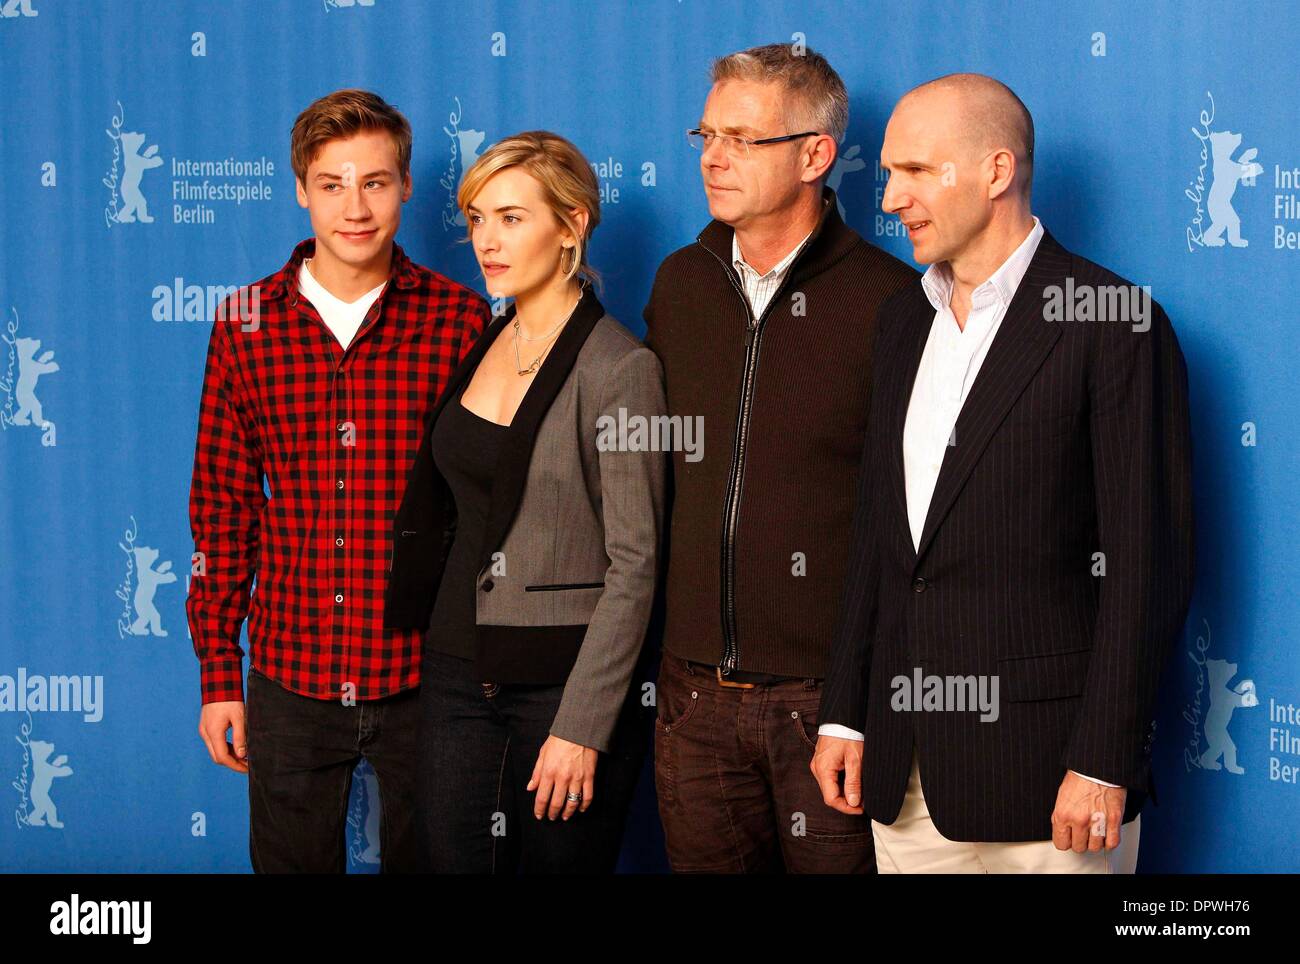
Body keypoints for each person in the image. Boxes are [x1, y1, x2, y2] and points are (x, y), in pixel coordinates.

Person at [814, 73, 1194, 873]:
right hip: (905, 777)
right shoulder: (901, 320)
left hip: (1052, 784)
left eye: (915, 171)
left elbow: (1145, 569)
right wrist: (846, 714)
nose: (890, 198)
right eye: (888, 174)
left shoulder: (1111, 320)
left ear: (996, 171)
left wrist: (1101, 763)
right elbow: (882, 538)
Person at [188, 89, 489, 873]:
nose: (355, 207)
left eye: (377, 182)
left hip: (428, 675)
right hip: (291, 674)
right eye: (332, 183)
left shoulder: (461, 322)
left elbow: (487, 504)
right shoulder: (243, 323)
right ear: (301, 189)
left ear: (407, 187)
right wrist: (221, 672)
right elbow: (222, 509)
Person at [642, 43, 917, 873]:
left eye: (742, 138)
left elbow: (903, 523)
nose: (714, 158)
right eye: (705, 135)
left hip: (824, 707)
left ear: (814, 154)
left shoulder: (892, 301)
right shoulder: (679, 283)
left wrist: (859, 704)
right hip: (689, 698)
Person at [385, 131, 666, 873]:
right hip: (453, 670)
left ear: (571, 225)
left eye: (512, 217)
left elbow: (635, 565)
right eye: (477, 218)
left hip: (558, 685)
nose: (487, 240)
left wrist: (582, 727)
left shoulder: (621, 369)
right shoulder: (486, 337)